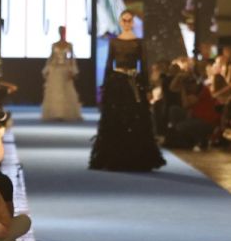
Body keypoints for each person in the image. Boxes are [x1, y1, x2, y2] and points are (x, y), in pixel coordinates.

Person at [90, 10, 164, 171]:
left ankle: (136, 157)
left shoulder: (139, 42)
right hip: (117, 84)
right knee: (115, 119)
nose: (126, 23)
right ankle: (114, 156)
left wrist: (147, 88)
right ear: (120, 22)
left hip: (133, 84)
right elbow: (110, 64)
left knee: (135, 119)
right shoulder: (114, 42)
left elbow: (144, 65)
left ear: (132, 22)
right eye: (124, 20)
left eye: (129, 20)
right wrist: (104, 86)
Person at [40, 25, 83, 123]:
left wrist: (73, 71)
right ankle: (56, 113)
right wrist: (47, 70)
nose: (61, 33)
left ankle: (64, 113)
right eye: (60, 31)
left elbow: (72, 59)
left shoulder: (69, 45)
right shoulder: (54, 45)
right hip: (55, 70)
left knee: (66, 90)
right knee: (55, 91)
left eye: (63, 31)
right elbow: (51, 58)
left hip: (65, 70)